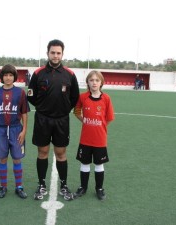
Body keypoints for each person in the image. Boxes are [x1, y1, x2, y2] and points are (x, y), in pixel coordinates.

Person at [27, 39, 80, 201]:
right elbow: (30, 95)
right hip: (42, 119)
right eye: (52, 52)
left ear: (62, 54)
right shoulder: (38, 74)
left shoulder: (70, 75)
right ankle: (41, 184)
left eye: (58, 53)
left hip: (61, 121)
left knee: (61, 153)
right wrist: (43, 107)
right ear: (47, 53)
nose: (55, 56)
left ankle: (63, 185)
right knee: (42, 152)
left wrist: (63, 109)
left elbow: (75, 97)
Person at [0, 64, 30, 199]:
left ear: (14, 77)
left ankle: (19, 187)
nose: (8, 77)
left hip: (15, 129)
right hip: (0, 130)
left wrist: (24, 130)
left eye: (11, 75)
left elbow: (24, 113)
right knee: (3, 158)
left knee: (17, 159)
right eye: (5, 75)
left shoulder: (21, 93)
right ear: (2, 77)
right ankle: (3, 186)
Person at [73, 70, 115, 200]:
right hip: (85, 139)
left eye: (97, 80)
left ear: (101, 82)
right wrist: (84, 120)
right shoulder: (83, 97)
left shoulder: (106, 98)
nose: (94, 82)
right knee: (84, 163)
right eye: (91, 80)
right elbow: (76, 111)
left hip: (100, 139)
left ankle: (99, 188)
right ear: (87, 82)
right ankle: (83, 187)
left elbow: (109, 118)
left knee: (99, 164)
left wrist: (100, 126)